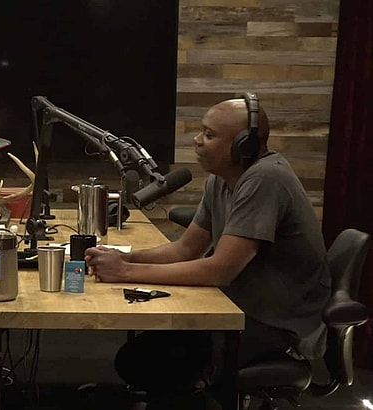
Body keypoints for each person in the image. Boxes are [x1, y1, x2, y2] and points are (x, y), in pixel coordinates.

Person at [85, 94, 330, 407]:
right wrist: (126, 257)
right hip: (239, 309)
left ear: (243, 146)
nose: (197, 140)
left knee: (152, 363)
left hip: (277, 324)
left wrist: (125, 271)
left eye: (209, 135)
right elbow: (185, 249)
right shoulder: (221, 179)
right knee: (138, 359)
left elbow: (219, 270)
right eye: (201, 131)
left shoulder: (265, 179)